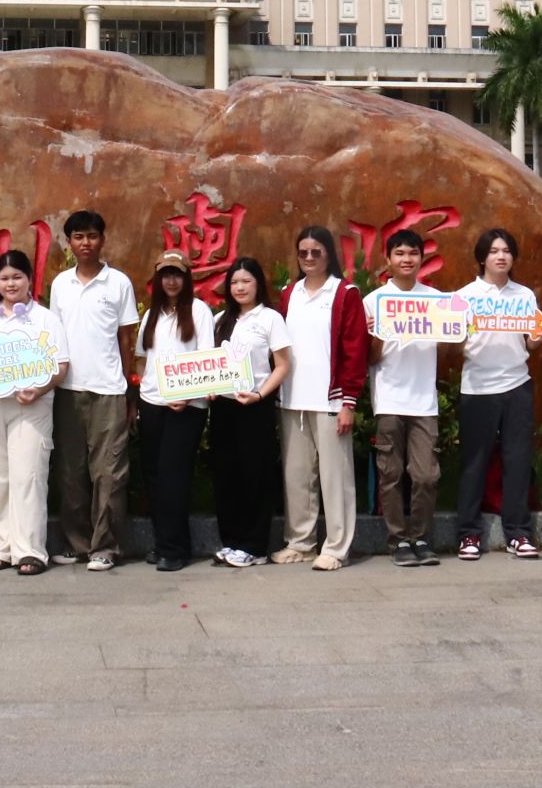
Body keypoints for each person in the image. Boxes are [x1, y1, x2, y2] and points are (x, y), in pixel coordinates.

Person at [0, 249, 71, 575]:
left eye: (17, 277)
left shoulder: (45, 319)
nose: (11, 284)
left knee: (29, 476)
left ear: (29, 280)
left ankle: (31, 550)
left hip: (31, 405)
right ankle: (4, 546)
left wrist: (39, 389)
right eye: (5, 278)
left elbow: (61, 365)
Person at [47, 210, 139, 572]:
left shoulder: (118, 283)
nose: (85, 243)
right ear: (69, 242)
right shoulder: (60, 284)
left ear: (102, 239)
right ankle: (78, 543)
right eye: (78, 236)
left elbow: (126, 339)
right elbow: (53, 336)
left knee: (109, 472)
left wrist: (128, 390)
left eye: (92, 236)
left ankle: (106, 546)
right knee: (71, 472)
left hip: (109, 390)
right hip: (68, 389)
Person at [275, 225, 368, 572]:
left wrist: (349, 402)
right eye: (303, 252)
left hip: (331, 401)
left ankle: (337, 547)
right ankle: (300, 542)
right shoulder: (289, 294)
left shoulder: (345, 293)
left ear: (329, 254)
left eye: (317, 251)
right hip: (292, 400)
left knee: (335, 477)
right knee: (297, 476)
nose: (309, 258)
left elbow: (355, 351)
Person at [451, 228, 542, 560]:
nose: (501, 256)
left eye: (506, 251)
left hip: (517, 384)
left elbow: (529, 344)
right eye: (493, 251)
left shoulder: (524, 296)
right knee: (474, 463)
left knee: (517, 461)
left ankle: (518, 534)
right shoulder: (464, 296)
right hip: (477, 386)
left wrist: (539, 335)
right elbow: (455, 343)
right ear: (482, 258)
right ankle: (468, 534)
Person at [365, 230, 442, 568]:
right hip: (389, 399)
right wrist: (378, 332)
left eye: (412, 253)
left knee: (426, 475)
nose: (406, 259)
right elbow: (369, 358)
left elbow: (452, 342)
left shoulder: (436, 300)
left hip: (424, 401)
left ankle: (421, 537)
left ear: (421, 259)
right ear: (388, 259)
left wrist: (459, 326)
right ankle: (397, 540)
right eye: (399, 253)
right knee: (391, 474)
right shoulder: (374, 301)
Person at [135, 251, 214, 572]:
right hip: (152, 402)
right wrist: (145, 390)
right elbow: (141, 358)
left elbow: (207, 358)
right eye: (165, 274)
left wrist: (188, 394)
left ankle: (174, 550)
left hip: (187, 406)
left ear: (186, 278)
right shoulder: (151, 314)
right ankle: (166, 542)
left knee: (173, 476)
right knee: (154, 475)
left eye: (177, 274)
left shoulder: (198, 311)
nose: (171, 281)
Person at [211, 257, 290, 569]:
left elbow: (282, 365)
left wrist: (259, 394)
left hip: (255, 405)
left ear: (258, 284)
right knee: (226, 474)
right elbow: (211, 363)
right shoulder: (221, 319)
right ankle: (231, 541)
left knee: (255, 475)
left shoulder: (270, 318)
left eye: (246, 281)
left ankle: (254, 546)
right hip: (224, 406)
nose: (240, 287)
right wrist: (210, 386)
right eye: (234, 282)